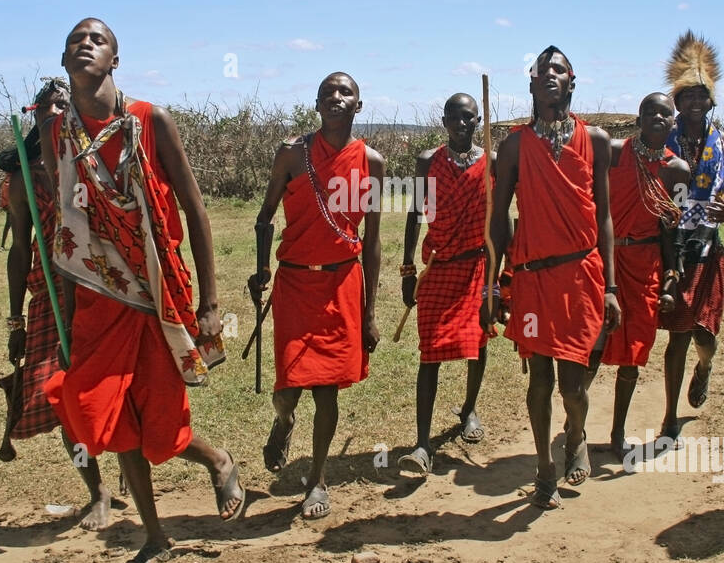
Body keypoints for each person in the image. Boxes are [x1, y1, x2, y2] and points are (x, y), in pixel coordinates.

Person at [41, 18, 245, 563]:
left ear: (114, 61)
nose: (85, 45)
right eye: (75, 41)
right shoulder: (58, 133)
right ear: (64, 65)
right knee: (99, 411)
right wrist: (61, 309)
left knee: (157, 417)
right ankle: (157, 534)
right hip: (97, 298)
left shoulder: (149, 121)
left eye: (97, 39)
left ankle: (212, 460)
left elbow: (196, 211)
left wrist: (209, 299)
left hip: (156, 293)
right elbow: (64, 221)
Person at [488, 46, 620, 509]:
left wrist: (611, 286)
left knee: (573, 387)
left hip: (582, 276)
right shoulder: (514, 146)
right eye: (541, 70)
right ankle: (544, 467)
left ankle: (576, 433)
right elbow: (499, 215)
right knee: (539, 381)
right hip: (531, 279)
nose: (549, 74)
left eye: (558, 69)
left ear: (571, 81)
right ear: (531, 84)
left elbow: (604, 217)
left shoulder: (597, 140)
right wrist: (493, 280)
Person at [249, 72, 384, 519]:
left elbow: (375, 241)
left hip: (341, 285)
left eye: (346, 92)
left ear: (358, 106)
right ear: (317, 103)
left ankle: (319, 480)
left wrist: (369, 311)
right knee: (288, 388)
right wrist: (262, 267)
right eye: (329, 92)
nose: (337, 98)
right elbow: (265, 215)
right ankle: (283, 422)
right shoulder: (291, 153)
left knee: (327, 391)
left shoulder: (372, 162)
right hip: (293, 284)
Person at [0, 78, 121, 529]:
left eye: (66, 105)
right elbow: (19, 249)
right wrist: (15, 320)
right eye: (51, 107)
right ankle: (98, 492)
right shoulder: (23, 179)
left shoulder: (95, 158)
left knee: (113, 385)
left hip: (103, 286)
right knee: (61, 392)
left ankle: (134, 470)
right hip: (50, 294)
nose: (60, 112)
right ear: (35, 115)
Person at [396, 93, 495, 476]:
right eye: (454, 118)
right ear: (444, 121)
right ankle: (422, 443)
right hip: (438, 266)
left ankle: (469, 409)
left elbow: (499, 220)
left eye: (468, 118)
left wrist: (496, 280)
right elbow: (414, 216)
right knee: (430, 352)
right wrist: (407, 270)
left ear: (478, 120)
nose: (461, 124)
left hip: (475, 267)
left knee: (478, 342)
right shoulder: (428, 162)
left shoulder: (490, 162)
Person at [659, 31, 724, 445]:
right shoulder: (662, 139)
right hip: (673, 249)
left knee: (704, 336)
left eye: (701, 95)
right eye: (687, 95)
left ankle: (705, 366)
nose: (694, 102)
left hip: (709, 248)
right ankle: (669, 416)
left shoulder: (723, 141)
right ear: (676, 101)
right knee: (677, 333)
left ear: (712, 99)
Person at [601, 93, 690, 451]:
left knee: (635, 351)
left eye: (665, 113)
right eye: (650, 111)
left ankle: (617, 432)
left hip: (646, 266)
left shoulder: (677, 171)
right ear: (639, 118)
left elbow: (674, 225)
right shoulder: (614, 153)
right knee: (592, 346)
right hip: (606, 262)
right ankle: (575, 428)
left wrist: (673, 270)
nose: (657, 117)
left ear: (673, 123)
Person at [0, 175, 13, 250]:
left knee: (10, 226)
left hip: (12, 206)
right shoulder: (7, 182)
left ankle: (3, 245)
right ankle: (2, 245)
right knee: (8, 225)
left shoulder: (7, 180)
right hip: (10, 206)